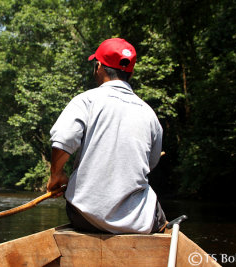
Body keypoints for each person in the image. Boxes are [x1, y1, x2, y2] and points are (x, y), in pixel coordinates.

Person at [47, 38, 166, 234]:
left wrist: (56, 175)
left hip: (84, 217)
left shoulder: (85, 101)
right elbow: (151, 163)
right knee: (161, 219)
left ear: (99, 66)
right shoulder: (149, 114)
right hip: (138, 223)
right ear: (131, 72)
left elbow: (63, 140)